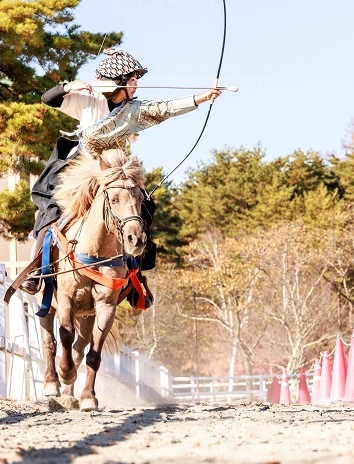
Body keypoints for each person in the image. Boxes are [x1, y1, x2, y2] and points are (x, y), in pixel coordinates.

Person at [20, 48, 221, 298]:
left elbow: (165, 108)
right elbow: (47, 98)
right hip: (80, 170)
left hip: (113, 170)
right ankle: (37, 271)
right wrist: (71, 86)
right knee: (51, 211)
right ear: (120, 82)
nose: (137, 86)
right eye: (133, 80)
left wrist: (201, 98)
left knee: (143, 208)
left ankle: (137, 276)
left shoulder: (133, 111)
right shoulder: (88, 100)